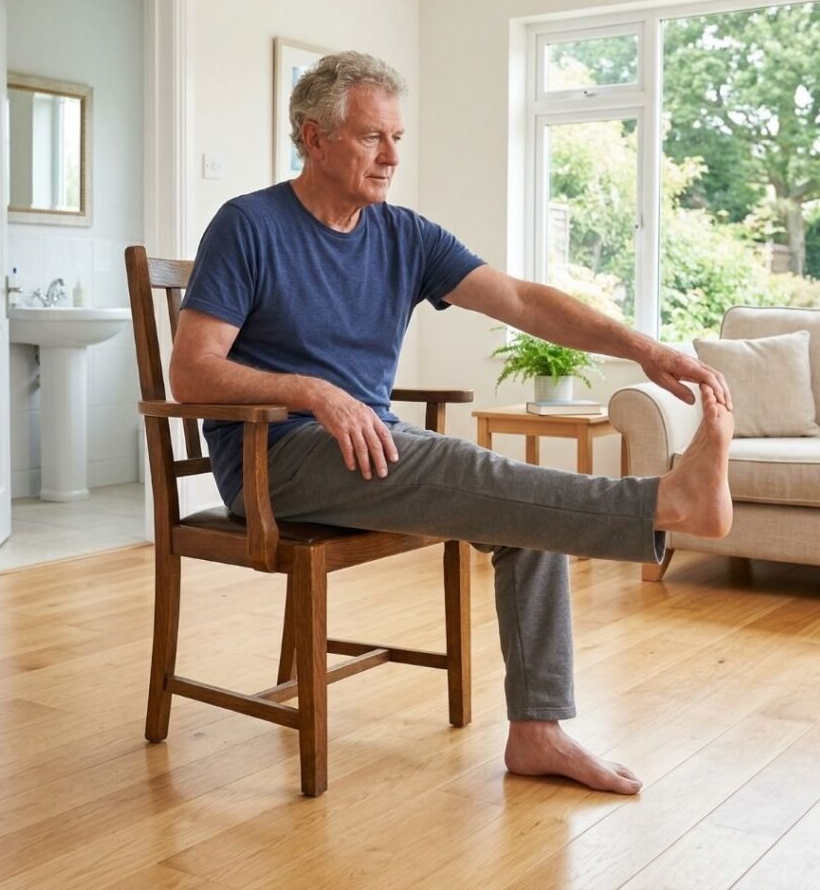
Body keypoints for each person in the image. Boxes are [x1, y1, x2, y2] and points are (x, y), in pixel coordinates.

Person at [171, 51, 734, 796]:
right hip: (274, 458)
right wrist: (311, 391)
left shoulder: (403, 235)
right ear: (313, 137)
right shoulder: (248, 226)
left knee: (522, 508)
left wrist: (645, 349)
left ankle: (539, 732)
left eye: (397, 138)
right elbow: (191, 372)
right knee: (494, 482)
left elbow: (524, 303)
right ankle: (660, 503)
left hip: (371, 442)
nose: (392, 156)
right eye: (372, 137)